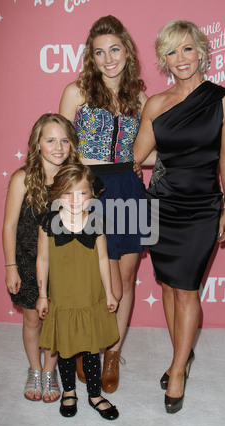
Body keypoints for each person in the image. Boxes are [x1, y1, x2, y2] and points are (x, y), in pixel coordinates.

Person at [134, 19, 225, 413]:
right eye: (172, 51)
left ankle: (177, 369)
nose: (180, 58)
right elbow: (137, 155)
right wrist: (168, 158)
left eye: (187, 49)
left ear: (201, 51)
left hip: (201, 208)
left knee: (187, 288)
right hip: (161, 204)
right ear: (164, 59)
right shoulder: (156, 104)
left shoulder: (224, 100)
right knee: (167, 286)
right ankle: (182, 354)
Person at [59, 15, 150, 393]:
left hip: (130, 187)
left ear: (127, 51)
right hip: (91, 190)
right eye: (100, 52)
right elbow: (62, 147)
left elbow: (149, 153)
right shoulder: (76, 92)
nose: (109, 58)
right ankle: (87, 347)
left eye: (115, 49)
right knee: (96, 278)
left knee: (126, 278)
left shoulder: (142, 99)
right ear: (91, 58)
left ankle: (112, 352)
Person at [2, 113, 80, 402]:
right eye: (50, 140)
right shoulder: (22, 179)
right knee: (33, 320)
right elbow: (9, 226)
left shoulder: (74, 180)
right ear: (37, 144)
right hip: (26, 260)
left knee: (56, 321)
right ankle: (34, 369)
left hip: (62, 265)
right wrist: (11, 267)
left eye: (64, 141)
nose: (58, 147)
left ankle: (50, 370)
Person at [36, 163, 120, 420]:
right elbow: (43, 260)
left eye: (81, 194)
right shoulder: (48, 222)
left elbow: (103, 259)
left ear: (92, 196)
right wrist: (42, 295)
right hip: (62, 298)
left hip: (90, 296)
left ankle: (94, 395)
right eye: (67, 193)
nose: (74, 200)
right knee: (66, 350)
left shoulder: (96, 221)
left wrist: (109, 293)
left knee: (91, 350)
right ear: (57, 194)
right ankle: (69, 391)